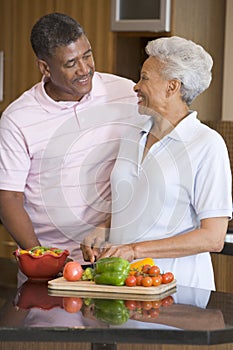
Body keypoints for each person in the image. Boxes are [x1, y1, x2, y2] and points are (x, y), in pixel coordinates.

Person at [81, 36, 232, 290]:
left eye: (145, 78)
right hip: (123, 286)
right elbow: (136, 201)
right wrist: (104, 228)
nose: (136, 86)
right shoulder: (132, 134)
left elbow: (213, 237)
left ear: (172, 87)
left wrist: (134, 250)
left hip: (178, 292)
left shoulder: (207, 144)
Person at [0, 13, 146, 263]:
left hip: (117, 257)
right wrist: (42, 258)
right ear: (45, 68)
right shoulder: (18, 118)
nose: (85, 69)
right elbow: (9, 197)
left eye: (87, 55)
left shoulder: (125, 92)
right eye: (71, 64)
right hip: (54, 258)